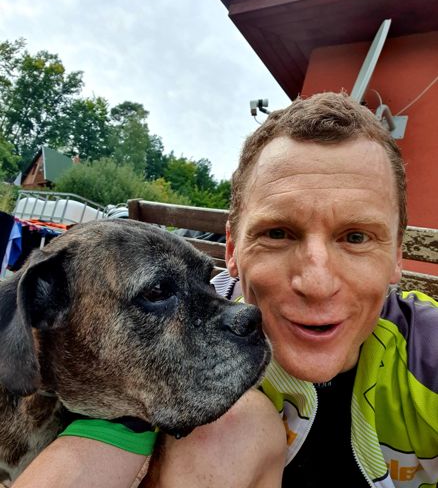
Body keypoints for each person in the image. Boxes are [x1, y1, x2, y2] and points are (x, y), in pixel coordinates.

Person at [12, 92, 438, 488]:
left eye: (357, 237)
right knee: (232, 426)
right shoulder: (185, 333)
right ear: (232, 249)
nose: (316, 282)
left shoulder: (428, 360)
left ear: (397, 256)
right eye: (277, 233)